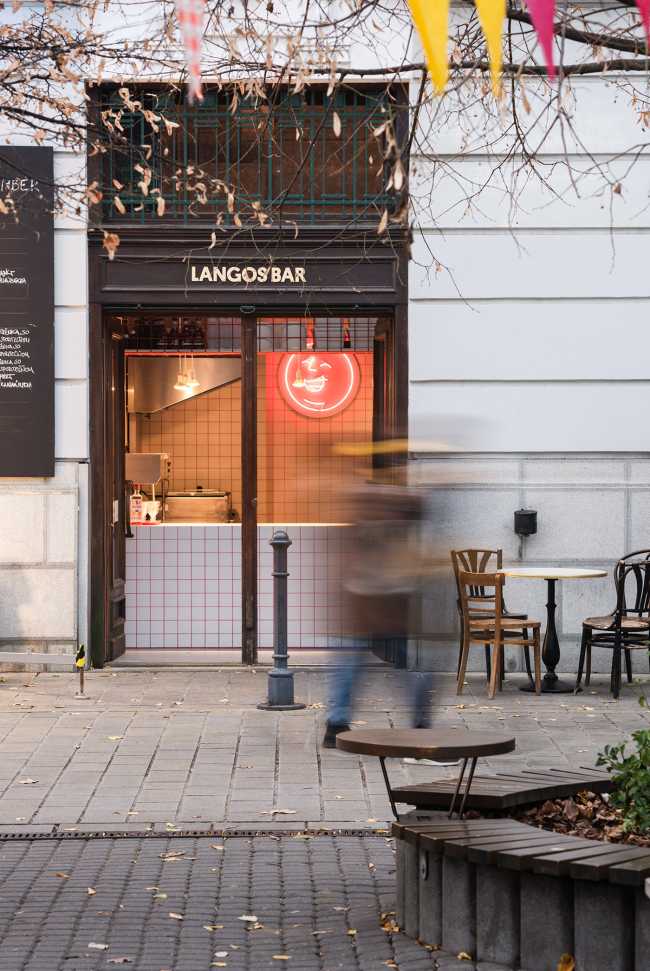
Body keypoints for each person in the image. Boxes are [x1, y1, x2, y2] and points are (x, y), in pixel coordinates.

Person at [322, 472, 434, 748]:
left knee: (348, 664)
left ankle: (336, 724)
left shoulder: (360, 518)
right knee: (408, 666)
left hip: (360, 603)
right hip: (391, 604)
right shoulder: (400, 515)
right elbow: (420, 505)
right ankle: (420, 721)